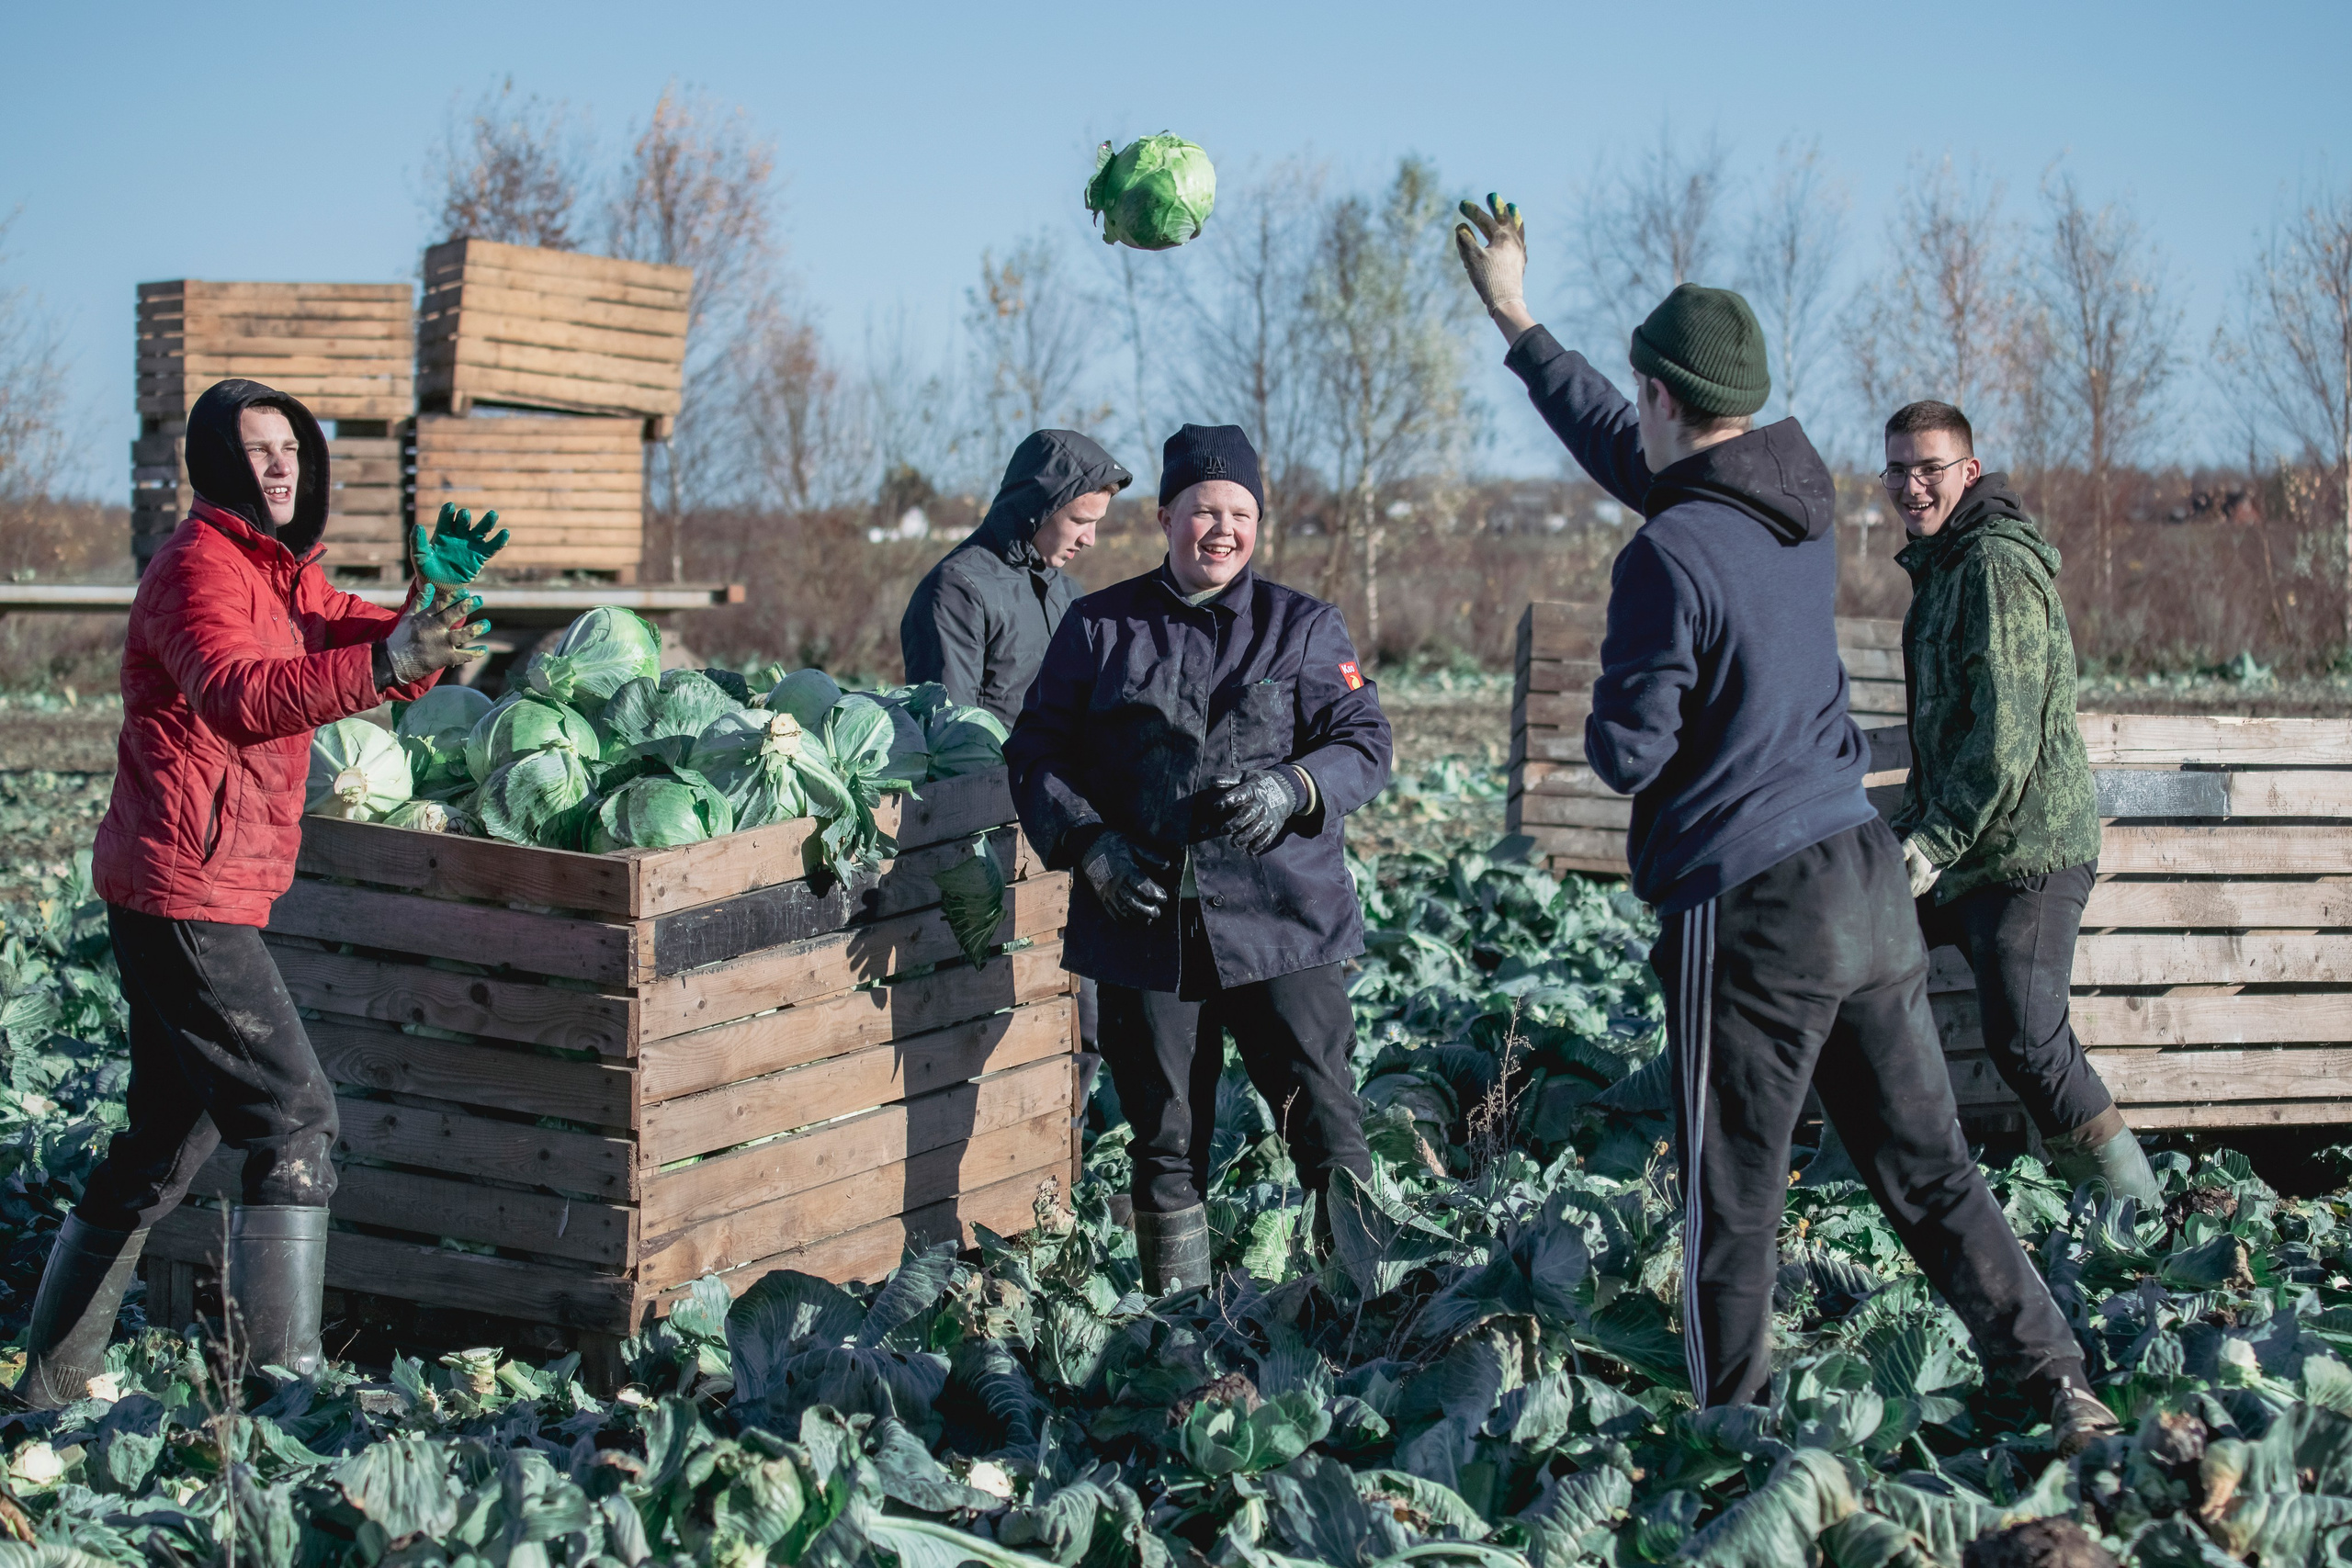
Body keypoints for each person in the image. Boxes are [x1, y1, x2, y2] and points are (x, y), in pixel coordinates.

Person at [1453, 196, 2118, 1451]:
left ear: (1662, 397)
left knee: (1731, 1193)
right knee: (1928, 1170)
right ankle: (2057, 1376)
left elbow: (1625, 748)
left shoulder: (1665, 560)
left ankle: (1734, 1436)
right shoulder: (1795, 490)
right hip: (1867, 885)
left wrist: (1628, 663)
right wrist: (1516, 318)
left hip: (1751, 904)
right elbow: (1635, 453)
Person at [12, 379, 497, 1406]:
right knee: (294, 1119)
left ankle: (49, 1385)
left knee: (161, 1145)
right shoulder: (199, 570)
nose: (281, 465)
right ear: (218, 465)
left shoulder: (276, 575)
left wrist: (429, 615)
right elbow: (240, 693)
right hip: (185, 892)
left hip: (195, 889)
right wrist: (390, 658)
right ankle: (284, 1397)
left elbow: (348, 639)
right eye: (259, 449)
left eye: (292, 449)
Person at [1006, 423, 1389, 1293]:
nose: (1222, 529)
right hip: (1142, 926)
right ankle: (1176, 1328)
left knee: (1326, 1123)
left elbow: (1365, 740)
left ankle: (1361, 1307)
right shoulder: (1099, 627)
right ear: (1164, 516)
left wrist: (1293, 788)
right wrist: (1089, 843)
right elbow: (1035, 751)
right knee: (1166, 1138)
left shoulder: (1304, 626)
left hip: (1282, 922)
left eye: (1241, 513)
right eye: (1204, 510)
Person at [1883, 400, 2160, 1206]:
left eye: (1929, 468)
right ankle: (1852, 1155)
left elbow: (2003, 740)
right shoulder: (1940, 568)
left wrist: (1929, 842)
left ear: (1968, 472)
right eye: (1897, 468)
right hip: (1972, 846)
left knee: (2027, 1043)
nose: (1912, 485)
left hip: (2028, 853)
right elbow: (1946, 732)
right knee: (1849, 950)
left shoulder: (1995, 567)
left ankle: (2132, 1212)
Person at [900, 430, 1132, 728]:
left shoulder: (1069, 594)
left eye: (1096, 523)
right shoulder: (957, 591)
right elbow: (947, 741)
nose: (1090, 539)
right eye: (1080, 521)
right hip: (991, 776)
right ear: (1039, 506)